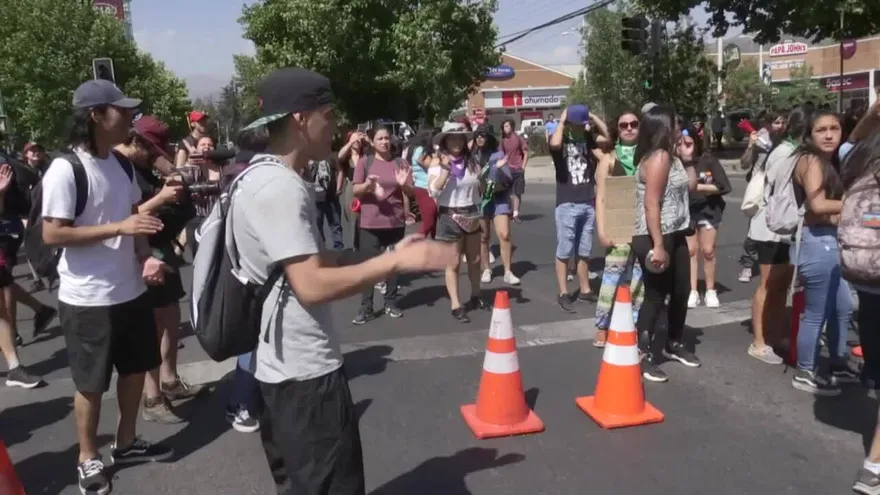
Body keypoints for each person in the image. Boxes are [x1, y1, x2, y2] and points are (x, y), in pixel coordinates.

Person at [231, 67, 456, 493]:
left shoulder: (262, 176)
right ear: (302, 118)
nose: (335, 127)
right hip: (305, 377)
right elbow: (311, 284)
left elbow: (316, 258)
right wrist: (392, 266)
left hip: (280, 370)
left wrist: (393, 254)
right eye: (329, 115)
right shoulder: (280, 187)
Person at [41, 79, 173, 494]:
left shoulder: (120, 164)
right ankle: (87, 456)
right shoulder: (66, 168)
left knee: (134, 371)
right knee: (91, 384)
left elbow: (134, 213)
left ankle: (127, 441)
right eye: (122, 110)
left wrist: (145, 255)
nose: (131, 116)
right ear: (96, 116)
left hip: (129, 290)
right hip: (87, 298)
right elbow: (53, 234)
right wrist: (120, 228)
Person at [115, 115, 203, 424]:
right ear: (136, 142)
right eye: (152, 149)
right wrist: (162, 198)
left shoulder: (142, 164)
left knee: (169, 314)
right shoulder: (119, 168)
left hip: (159, 246)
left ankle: (169, 380)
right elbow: (122, 215)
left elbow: (166, 174)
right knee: (150, 323)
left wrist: (173, 177)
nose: (156, 156)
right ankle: (152, 398)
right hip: (138, 252)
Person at [789, 109, 853, 396]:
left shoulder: (829, 160)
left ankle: (838, 363)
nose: (829, 135)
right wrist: (856, 202)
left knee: (843, 307)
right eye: (822, 130)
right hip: (816, 242)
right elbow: (817, 206)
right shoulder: (812, 161)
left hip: (830, 239)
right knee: (816, 312)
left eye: (835, 129)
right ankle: (805, 370)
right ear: (809, 134)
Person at [632, 105, 698, 383]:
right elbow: (651, 204)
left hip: (676, 230)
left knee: (682, 289)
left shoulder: (672, 157)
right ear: (662, 127)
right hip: (653, 234)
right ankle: (641, 355)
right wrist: (658, 245)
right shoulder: (658, 158)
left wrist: (689, 158)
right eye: (675, 123)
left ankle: (673, 342)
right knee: (656, 295)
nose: (679, 128)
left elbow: (690, 187)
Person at [747, 108, 806, 365]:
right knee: (768, 284)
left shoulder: (793, 151)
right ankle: (758, 341)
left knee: (781, 284)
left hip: (787, 228)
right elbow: (782, 193)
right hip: (770, 226)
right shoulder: (785, 153)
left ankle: (775, 333)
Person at [548, 104, 609, 312]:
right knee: (564, 250)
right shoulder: (560, 140)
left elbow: (608, 139)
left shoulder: (588, 140)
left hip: (587, 201)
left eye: (579, 123)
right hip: (567, 202)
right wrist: (562, 121)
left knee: (584, 251)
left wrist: (592, 116)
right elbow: (555, 144)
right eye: (575, 124)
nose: (577, 127)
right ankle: (564, 292)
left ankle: (584, 289)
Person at [351, 123, 414, 324]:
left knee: (393, 265)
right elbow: (355, 190)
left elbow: (411, 192)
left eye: (387, 138)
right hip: (370, 223)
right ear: (373, 141)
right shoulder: (365, 162)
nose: (385, 142)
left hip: (395, 222)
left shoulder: (400, 163)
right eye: (380, 138)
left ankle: (390, 302)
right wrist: (367, 186)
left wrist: (405, 186)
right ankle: (366, 307)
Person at [592, 110, 643, 347]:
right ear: (618, 130)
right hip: (617, 229)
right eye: (624, 125)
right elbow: (600, 198)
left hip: (643, 228)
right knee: (612, 279)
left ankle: (632, 322)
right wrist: (602, 231)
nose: (629, 128)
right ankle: (602, 325)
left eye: (634, 124)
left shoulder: (648, 158)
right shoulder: (609, 160)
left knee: (639, 280)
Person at [429, 122, 488, 322]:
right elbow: (433, 192)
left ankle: (476, 295)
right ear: (445, 141)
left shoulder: (473, 163)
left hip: (471, 212)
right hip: (448, 215)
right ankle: (456, 303)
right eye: (452, 138)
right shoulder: (437, 164)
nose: (456, 141)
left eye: (460, 138)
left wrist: (486, 180)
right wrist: (445, 171)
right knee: (453, 263)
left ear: (464, 141)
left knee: (475, 259)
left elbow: (480, 189)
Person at [681, 123, 731, 309]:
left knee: (708, 251)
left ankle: (710, 290)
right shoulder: (676, 162)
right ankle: (692, 290)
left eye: (689, 142)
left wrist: (698, 187)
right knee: (690, 252)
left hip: (709, 210)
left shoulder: (708, 160)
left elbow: (723, 187)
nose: (685, 146)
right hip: (687, 211)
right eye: (681, 143)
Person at [476, 124, 520, 285]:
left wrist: (499, 169)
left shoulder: (498, 155)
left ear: (489, 138)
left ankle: (508, 271)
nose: (480, 138)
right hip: (481, 200)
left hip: (499, 198)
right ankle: (487, 269)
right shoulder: (473, 157)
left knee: (504, 234)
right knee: (484, 237)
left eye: (483, 135)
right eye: (477, 135)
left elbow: (509, 179)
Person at [499, 119, 529, 223]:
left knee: (517, 192)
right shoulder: (502, 141)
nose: (505, 128)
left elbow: (525, 153)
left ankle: (516, 214)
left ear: (512, 127)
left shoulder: (519, 138)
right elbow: (500, 155)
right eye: (504, 126)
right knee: (507, 193)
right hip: (507, 170)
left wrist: (523, 166)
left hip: (518, 169)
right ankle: (510, 212)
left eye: (507, 126)